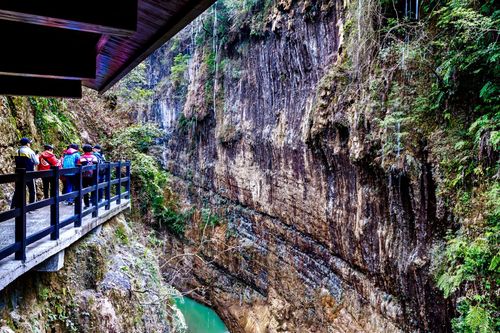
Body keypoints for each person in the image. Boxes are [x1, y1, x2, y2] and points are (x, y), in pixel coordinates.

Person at [11, 137, 39, 208]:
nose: (30, 144)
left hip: (18, 174)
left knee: (17, 191)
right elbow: (37, 162)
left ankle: (13, 207)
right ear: (27, 144)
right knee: (32, 190)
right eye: (29, 143)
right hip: (29, 173)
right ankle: (32, 207)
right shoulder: (30, 151)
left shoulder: (17, 151)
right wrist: (37, 156)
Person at [78, 144, 99, 209]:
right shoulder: (94, 157)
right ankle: (93, 203)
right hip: (93, 176)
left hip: (84, 176)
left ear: (83, 150)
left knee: (85, 190)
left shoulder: (81, 157)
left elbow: (78, 165)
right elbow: (97, 166)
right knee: (94, 189)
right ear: (91, 150)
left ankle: (86, 204)